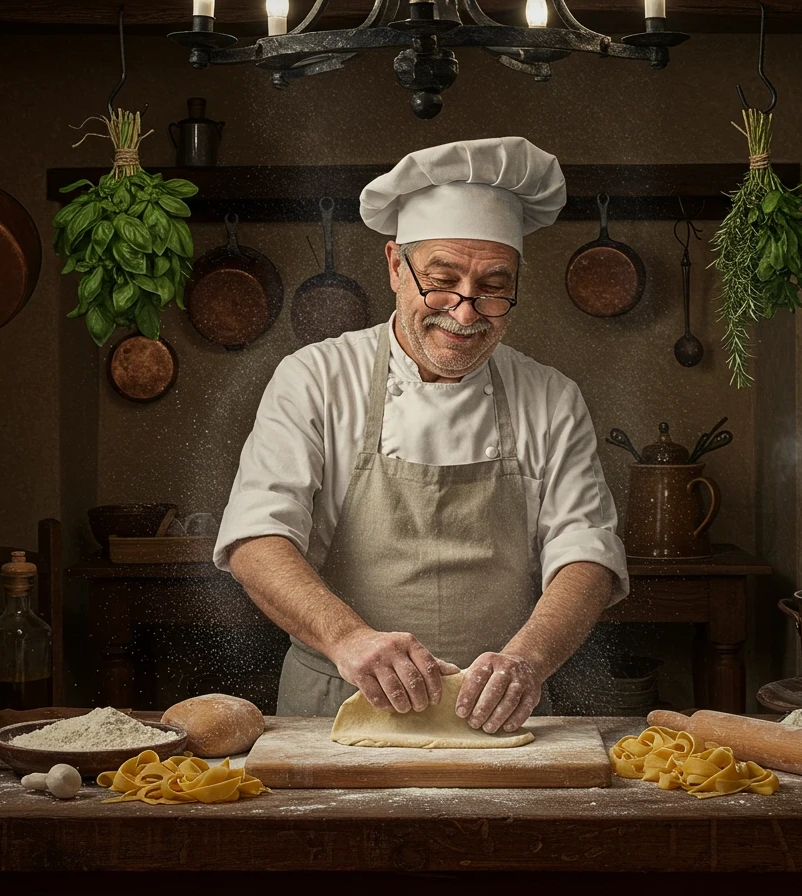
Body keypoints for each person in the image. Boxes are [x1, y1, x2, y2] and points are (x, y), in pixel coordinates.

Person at [214, 136, 628, 735]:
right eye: (442, 280)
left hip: (498, 710)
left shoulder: (552, 397)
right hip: (338, 699)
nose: (464, 313)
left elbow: (587, 552)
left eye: (493, 286)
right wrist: (349, 639)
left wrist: (528, 661)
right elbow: (257, 538)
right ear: (393, 267)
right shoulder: (315, 378)